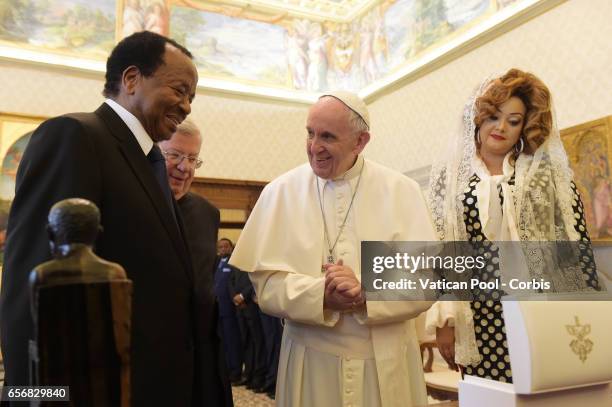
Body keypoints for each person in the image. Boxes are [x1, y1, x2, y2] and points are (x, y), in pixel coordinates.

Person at [1, 31, 200, 405]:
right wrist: (35, 395)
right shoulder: (76, 136)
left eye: (191, 97)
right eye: (179, 90)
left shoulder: (151, 163)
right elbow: (30, 283)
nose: (187, 106)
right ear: (131, 79)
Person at [230, 91, 436, 407]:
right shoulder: (281, 191)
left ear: (360, 141)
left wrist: (368, 290)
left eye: (328, 136)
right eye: (310, 133)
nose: (314, 147)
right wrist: (320, 294)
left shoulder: (401, 191)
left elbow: (429, 280)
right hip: (310, 361)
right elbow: (266, 286)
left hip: (385, 359)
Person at [427, 68, 603, 381]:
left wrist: (587, 311)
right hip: (479, 317)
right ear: (478, 117)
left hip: (541, 309)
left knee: (545, 392)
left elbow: (575, 251)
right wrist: (445, 322)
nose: (501, 128)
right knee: (488, 397)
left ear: (525, 125)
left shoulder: (545, 176)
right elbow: (440, 251)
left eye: (514, 120)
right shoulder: (450, 180)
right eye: (494, 116)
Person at [158, 120, 233, 406]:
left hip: (200, 351)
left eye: (192, 159)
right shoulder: (132, 205)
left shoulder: (207, 214)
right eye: (174, 155)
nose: (185, 167)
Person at [214, 238, 245, 385]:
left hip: (230, 309)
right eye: (220, 246)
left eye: (226, 246)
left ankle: (235, 372)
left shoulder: (234, 262)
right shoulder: (217, 262)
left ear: (231, 247)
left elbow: (233, 283)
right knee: (223, 342)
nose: (223, 248)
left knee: (233, 342)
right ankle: (225, 370)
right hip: (218, 309)